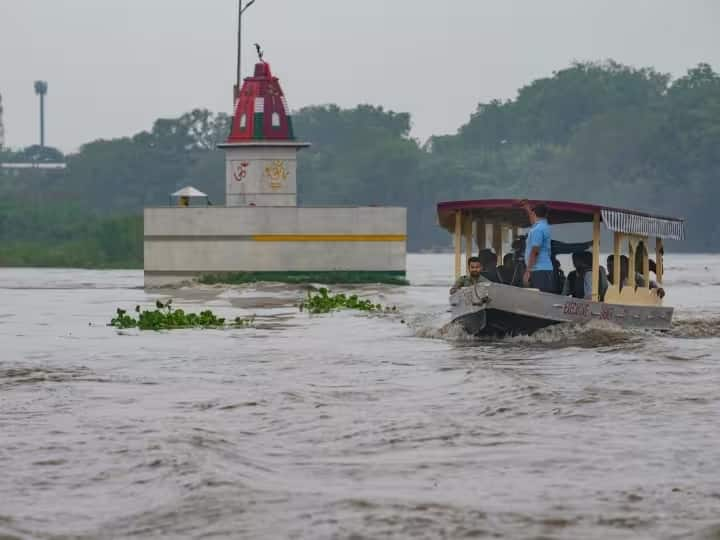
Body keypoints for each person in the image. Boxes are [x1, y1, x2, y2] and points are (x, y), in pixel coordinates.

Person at [520, 201, 555, 292]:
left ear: (535, 213)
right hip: (543, 269)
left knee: (539, 299)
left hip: (539, 270)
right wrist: (528, 209)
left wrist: (528, 271)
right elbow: (534, 221)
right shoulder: (542, 225)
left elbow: (535, 251)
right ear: (546, 214)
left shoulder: (538, 230)